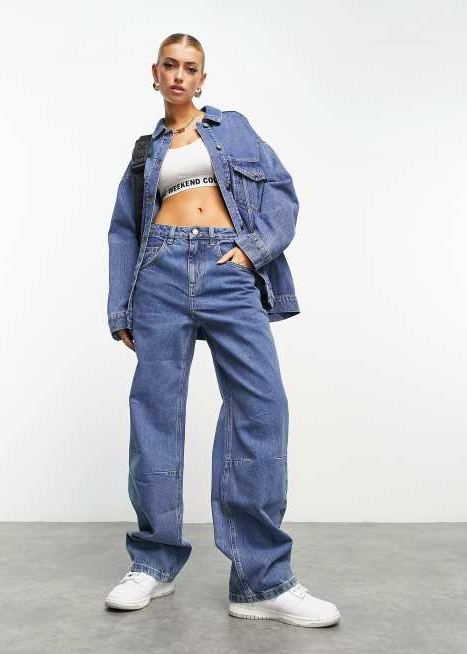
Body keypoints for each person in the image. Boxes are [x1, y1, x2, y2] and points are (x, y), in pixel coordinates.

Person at [104, 33, 341, 628]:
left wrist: (251, 250)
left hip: (227, 268)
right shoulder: (145, 151)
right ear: (155, 73)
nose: (179, 76)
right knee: (155, 412)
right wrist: (120, 307)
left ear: (202, 78)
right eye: (170, 66)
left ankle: (261, 581)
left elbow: (281, 192)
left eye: (191, 68)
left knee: (261, 407)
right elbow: (124, 229)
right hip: (159, 273)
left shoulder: (233, 129)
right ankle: (153, 563)